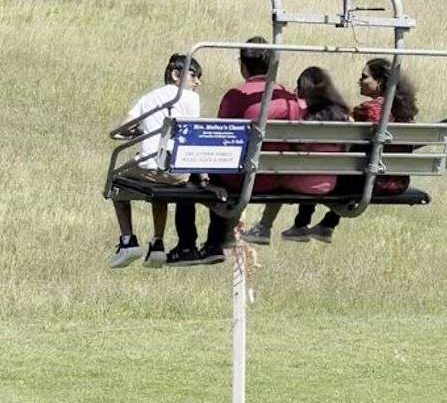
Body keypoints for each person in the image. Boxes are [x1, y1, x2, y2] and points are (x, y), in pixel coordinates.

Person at [248, 57, 418, 245]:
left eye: (365, 77)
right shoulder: (405, 113)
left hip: (371, 181)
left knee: (321, 163)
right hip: (396, 181)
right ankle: (326, 224)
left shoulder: (370, 110)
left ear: (380, 82)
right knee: (336, 163)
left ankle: (296, 224)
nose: (360, 81)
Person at [166, 38, 302, 266]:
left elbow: (220, 141)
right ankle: (215, 242)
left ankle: (190, 245)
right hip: (278, 178)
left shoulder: (237, 96)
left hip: (241, 179)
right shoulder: (288, 99)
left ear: (243, 65)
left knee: (189, 178)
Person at [108, 53, 202, 269]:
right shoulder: (192, 99)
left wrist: (137, 133)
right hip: (180, 174)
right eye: (194, 76)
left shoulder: (149, 98)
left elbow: (120, 130)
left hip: (152, 169)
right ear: (177, 75)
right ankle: (157, 243)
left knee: (116, 179)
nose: (198, 82)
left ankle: (128, 240)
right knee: (161, 182)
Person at [242, 66, 348, 246]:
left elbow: (296, 146)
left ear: (304, 89)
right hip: (329, 182)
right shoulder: (344, 116)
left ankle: (264, 227)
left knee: (281, 171)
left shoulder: (304, 114)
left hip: (299, 181)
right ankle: (297, 225)